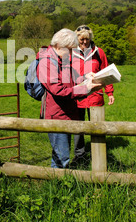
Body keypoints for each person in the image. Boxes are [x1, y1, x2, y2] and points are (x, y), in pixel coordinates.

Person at [36, 28, 102, 169]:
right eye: (71, 49)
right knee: (62, 158)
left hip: (65, 113)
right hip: (56, 115)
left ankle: (59, 185)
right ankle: (58, 187)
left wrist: (86, 77)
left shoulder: (61, 58)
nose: (73, 53)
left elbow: (72, 78)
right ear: (60, 46)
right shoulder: (47, 62)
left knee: (62, 155)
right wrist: (87, 89)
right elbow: (59, 90)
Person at [72, 25, 115, 164]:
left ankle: (98, 154)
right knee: (78, 127)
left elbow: (107, 73)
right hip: (77, 96)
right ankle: (80, 156)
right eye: (81, 39)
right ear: (77, 38)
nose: (85, 42)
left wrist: (110, 92)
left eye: (87, 39)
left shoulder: (99, 52)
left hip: (95, 96)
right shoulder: (70, 53)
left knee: (97, 126)